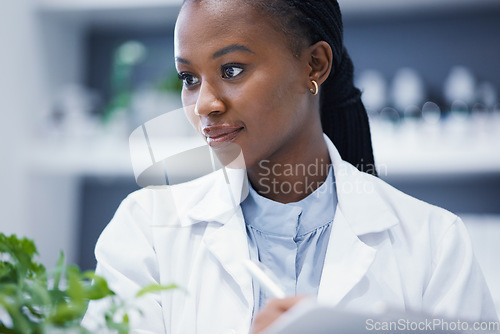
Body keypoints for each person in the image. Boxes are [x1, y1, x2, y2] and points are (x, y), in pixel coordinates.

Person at [84, 0, 498, 333]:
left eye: (232, 70)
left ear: (314, 65)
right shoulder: (146, 231)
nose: (205, 104)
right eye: (189, 78)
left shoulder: (434, 244)